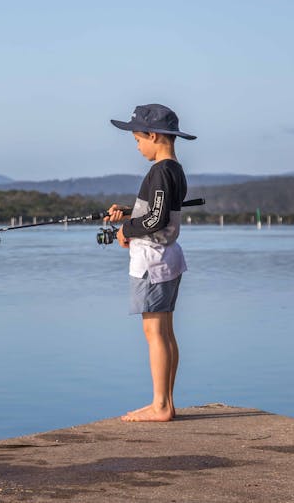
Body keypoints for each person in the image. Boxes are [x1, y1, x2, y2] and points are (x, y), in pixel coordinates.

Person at [105, 103, 197, 422]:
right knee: (166, 333)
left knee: (154, 333)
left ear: (154, 135)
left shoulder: (159, 170)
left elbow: (156, 219)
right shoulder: (174, 170)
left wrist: (125, 229)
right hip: (168, 258)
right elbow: (159, 211)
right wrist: (130, 212)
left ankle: (160, 406)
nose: (137, 145)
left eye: (137, 139)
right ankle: (165, 402)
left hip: (152, 261)